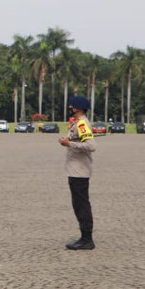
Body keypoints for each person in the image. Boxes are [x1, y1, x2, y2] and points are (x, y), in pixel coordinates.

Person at [59, 95, 97, 250]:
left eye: (72, 107)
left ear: (78, 108)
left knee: (81, 205)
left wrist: (69, 144)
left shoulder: (82, 124)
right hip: (76, 170)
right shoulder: (78, 123)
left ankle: (87, 239)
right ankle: (85, 237)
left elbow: (91, 146)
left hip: (79, 171)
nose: (70, 109)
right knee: (79, 204)